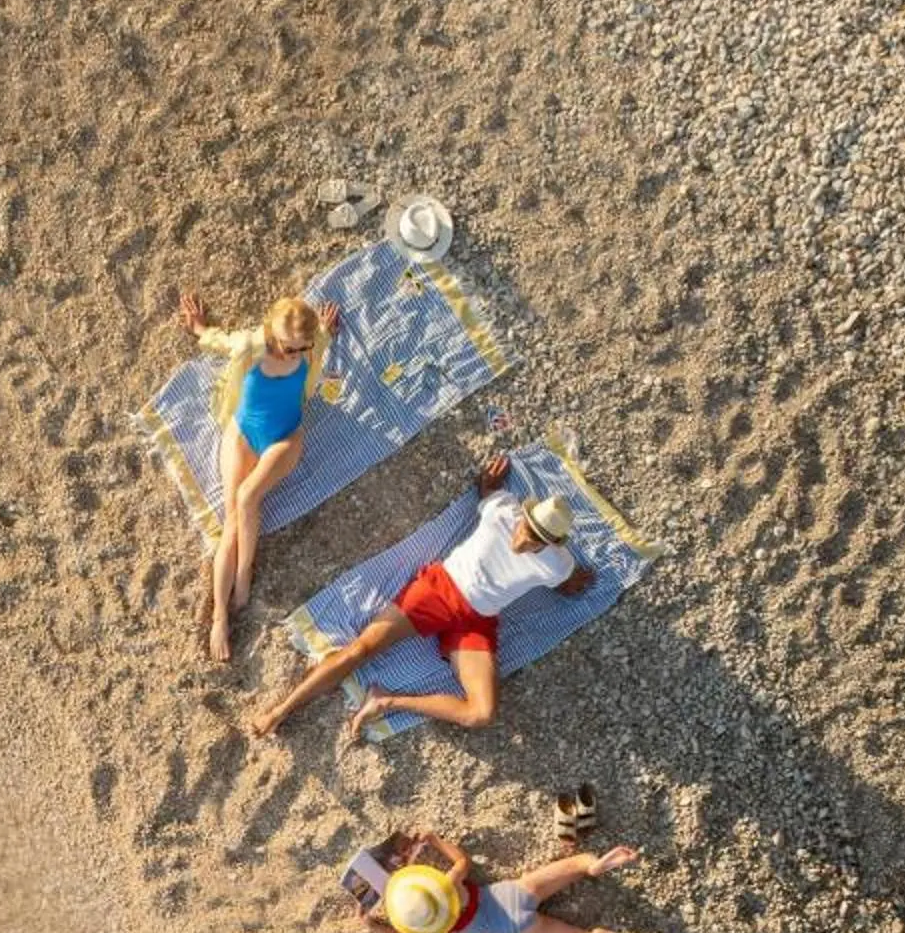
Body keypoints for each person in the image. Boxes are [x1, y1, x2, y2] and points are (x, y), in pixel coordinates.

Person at [251, 451, 597, 738]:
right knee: (361, 649)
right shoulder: (503, 509)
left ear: (552, 543)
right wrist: (489, 479)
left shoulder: (557, 564)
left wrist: (579, 580)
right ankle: (282, 710)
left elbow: (569, 584)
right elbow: (486, 488)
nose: (525, 538)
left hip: (476, 621)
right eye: (528, 526)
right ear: (524, 515)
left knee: (482, 713)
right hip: (437, 591)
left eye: (537, 537)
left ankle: (387, 701)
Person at [176, 288, 340, 664]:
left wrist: (325, 334)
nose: (296, 355)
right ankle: (219, 615)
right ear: (272, 333)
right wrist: (201, 328)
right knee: (232, 520)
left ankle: (245, 572)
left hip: (286, 436)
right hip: (244, 432)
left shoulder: (312, 345)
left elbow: (317, 345)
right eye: (289, 346)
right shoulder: (251, 347)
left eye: (303, 348)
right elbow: (218, 342)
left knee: (248, 498)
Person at [358, 828, 649, 933]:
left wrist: (374, 926)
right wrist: (435, 840)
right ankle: (594, 866)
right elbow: (462, 861)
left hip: (515, 927)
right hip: (515, 893)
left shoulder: (430, 931)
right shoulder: (451, 882)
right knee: (576, 863)